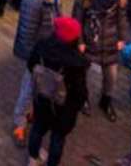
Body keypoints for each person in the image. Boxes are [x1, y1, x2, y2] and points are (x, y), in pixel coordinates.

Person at [10, 0, 66, 144]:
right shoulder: (33, 2)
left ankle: (30, 112)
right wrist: (33, 59)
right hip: (36, 55)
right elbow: (27, 34)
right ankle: (19, 123)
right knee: (27, 87)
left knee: (38, 86)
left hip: (46, 52)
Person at [25, 17, 91, 166]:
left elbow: (31, 65)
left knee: (37, 128)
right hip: (64, 108)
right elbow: (80, 92)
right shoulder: (77, 62)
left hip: (42, 98)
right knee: (57, 139)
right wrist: (78, 105)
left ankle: (32, 159)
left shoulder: (42, 46)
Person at [72, 0, 128, 121]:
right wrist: (80, 41)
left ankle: (106, 100)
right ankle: (82, 97)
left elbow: (121, 19)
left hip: (110, 42)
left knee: (111, 76)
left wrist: (122, 37)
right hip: (91, 41)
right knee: (83, 71)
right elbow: (77, 21)